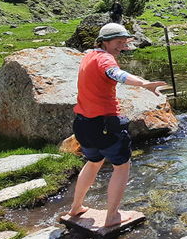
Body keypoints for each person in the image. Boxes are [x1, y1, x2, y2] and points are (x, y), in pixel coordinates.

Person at [67, 23, 166, 227]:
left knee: (94, 162)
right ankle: (112, 216)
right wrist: (144, 84)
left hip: (83, 124)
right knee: (122, 166)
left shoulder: (89, 56)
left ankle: (76, 207)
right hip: (104, 124)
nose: (122, 45)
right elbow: (116, 74)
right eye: (118, 42)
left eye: (124, 42)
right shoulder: (105, 59)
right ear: (104, 41)